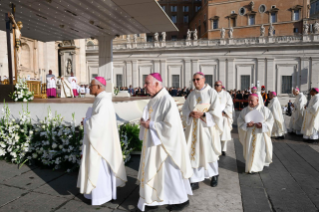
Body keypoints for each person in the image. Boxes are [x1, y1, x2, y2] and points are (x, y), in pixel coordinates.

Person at [137, 73, 193, 211]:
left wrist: (151, 125)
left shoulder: (166, 100)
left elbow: (171, 126)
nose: (144, 86)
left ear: (157, 84)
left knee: (169, 173)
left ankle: (180, 199)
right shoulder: (154, 99)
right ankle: (152, 200)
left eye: (147, 83)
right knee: (159, 174)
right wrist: (146, 123)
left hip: (166, 146)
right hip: (155, 143)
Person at [77, 76, 127, 205]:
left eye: (91, 85)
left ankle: (101, 196)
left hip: (100, 144)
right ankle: (97, 194)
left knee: (99, 169)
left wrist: (86, 121)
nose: (89, 87)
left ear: (99, 87)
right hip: (100, 141)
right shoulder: (101, 99)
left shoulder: (104, 101)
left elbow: (98, 123)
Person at [182, 72, 222, 190]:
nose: (195, 82)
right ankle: (194, 179)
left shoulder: (211, 92)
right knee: (193, 152)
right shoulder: (191, 94)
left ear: (204, 80)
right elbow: (184, 109)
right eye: (194, 80)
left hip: (206, 129)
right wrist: (189, 113)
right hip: (193, 129)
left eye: (198, 79)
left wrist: (204, 114)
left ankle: (214, 175)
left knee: (208, 152)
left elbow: (217, 112)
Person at [237, 94, 274, 173]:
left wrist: (263, 125)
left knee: (259, 151)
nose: (250, 102)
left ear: (257, 100)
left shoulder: (265, 110)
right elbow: (239, 121)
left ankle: (257, 168)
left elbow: (271, 121)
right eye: (249, 101)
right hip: (249, 135)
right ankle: (250, 167)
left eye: (252, 101)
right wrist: (246, 125)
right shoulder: (245, 111)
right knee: (249, 151)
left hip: (260, 135)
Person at [214, 81, 234, 156]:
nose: (216, 86)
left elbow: (230, 105)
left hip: (224, 117)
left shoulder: (226, 94)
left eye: (217, 85)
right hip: (215, 117)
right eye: (215, 85)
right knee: (215, 133)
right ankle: (217, 148)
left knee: (224, 133)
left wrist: (224, 112)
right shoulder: (212, 93)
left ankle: (224, 149)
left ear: (221, 86)